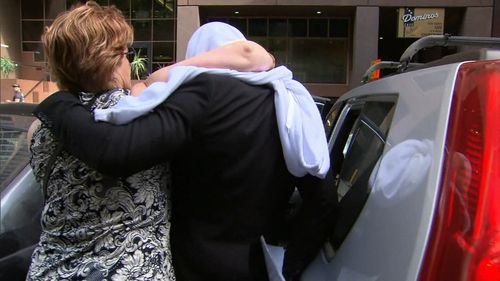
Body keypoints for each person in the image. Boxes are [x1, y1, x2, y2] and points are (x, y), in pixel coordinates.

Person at [33, 20, 338, 281]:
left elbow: (117, 150)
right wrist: (292, 265)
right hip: (258, 263)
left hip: (191, 264)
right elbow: (322, 198)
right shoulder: (294, 107)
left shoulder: (194, 96)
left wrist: (57, 103)